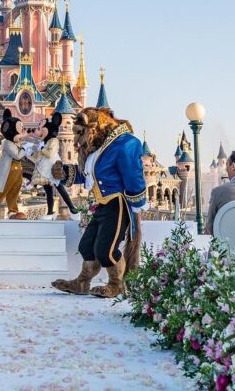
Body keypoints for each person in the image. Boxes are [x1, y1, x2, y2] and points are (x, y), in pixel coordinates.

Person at [52, 107, 147, 298]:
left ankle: (116, 284)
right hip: (103, 204)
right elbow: (88, 174)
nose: (77, 140)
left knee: (106, 250)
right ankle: (82, 283)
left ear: (93, 127)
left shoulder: (125, 144)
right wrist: (64, 173)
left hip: (118, 204)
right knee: (86, 246)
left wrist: (138, 201)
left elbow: (133, 176)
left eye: (80, 133)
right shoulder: (100, 147)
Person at [29, 113, 79, 220]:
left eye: (41, 129)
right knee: (48, 191)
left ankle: (72, 208)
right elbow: (38, 159)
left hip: (52, 168)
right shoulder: (43, 142)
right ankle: (50, 212)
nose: (39, 131)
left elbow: (50, 154)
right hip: (44, 169)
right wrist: (30, 154)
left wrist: (41, 148)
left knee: (60, 187)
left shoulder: (53, 141)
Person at [203, 151, 235, 235]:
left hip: (225, 243)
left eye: (227, 166)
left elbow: (209, 229)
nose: (226, 170)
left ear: (233, 166)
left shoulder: (217, 192)